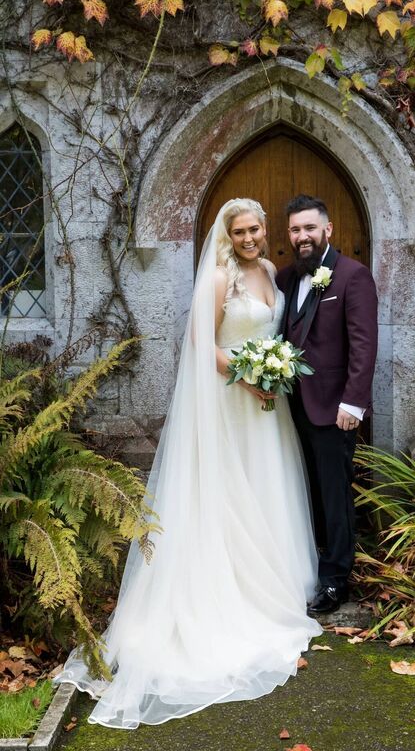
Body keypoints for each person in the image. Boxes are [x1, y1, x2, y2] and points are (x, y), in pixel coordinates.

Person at [54, 198, 321, 729]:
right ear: (227, 235)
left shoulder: (269, 270)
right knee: (226, 490)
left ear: (266, 232)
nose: (248, 238)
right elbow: (203, 344)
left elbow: (275, 333)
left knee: (266, 484)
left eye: (254, 229)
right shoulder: (220, 278)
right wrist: (252, 373)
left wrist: (273, 372)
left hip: (267, 406)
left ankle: (272, 584)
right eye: (238, 231)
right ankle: (226, 594)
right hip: (231, 398)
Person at [276, 194, 378, 614]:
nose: (303, 236)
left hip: (334, 409)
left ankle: (336, 580)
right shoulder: (284, 280)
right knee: (299, 490)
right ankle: (303, 568)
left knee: (335, 494)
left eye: (310, 228)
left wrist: (353, 403)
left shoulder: (353, 276)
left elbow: (364, 344)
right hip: (287, 408)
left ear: (328, 230)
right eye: (296, 230)